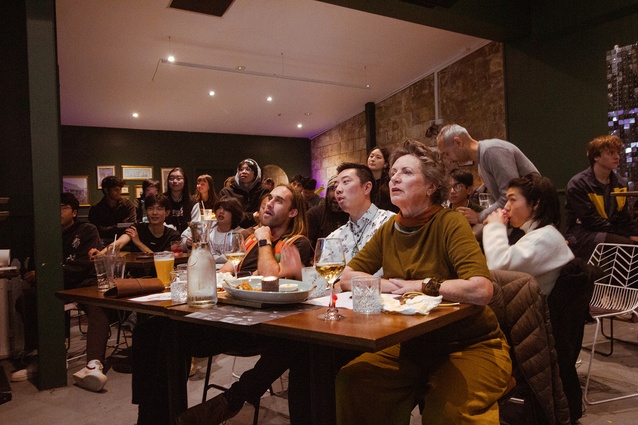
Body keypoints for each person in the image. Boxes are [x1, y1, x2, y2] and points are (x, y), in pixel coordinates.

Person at [336, 139, 511, 424]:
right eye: (393, 173)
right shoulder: (390, 229)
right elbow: (347, 276)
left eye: (406, 172)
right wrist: (390, 285)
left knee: (448, 413)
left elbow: (481, 288)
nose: (394, 178)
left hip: (469, 343)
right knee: (354, 381)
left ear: (431, 186)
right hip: (412, 345)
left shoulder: (449, 222)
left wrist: (421, 285)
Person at [133, 184, 313, 425]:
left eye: (279, 200)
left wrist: (264, 241)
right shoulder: (249, 239)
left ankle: (221, 403)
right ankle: (154, 418)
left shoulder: (296, 243)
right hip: (227, 315)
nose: (269, 203)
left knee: (168, 334)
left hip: (261, 327)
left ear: (293, 212)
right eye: (269, 198)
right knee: (151, 330)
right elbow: (225, 272)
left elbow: (270, 279)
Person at [13, 193, 111, 393]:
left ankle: (93, 365)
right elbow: (33, 265)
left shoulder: (86, 229)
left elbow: (83, 264)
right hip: (57, 286)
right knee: (27, 298)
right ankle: (40, 358)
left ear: (74, 212)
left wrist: (44, 274)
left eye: (63, 207)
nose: (58, 211)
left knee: (98, 307)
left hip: (85, 282)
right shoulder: (45, 234)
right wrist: (37, 274)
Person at [483, 173, 574, 295]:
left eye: (512, 200)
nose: (506, 207)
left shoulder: (544, 238)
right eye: (507, 200)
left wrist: (495, 227)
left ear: (535, 203)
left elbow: (497, 267)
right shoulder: (543, 234)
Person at [437, 124, 538, 223]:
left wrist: (479, 216)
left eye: (447, 153)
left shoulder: (492, 151)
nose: (449, 160)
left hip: (535, 218)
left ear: (458, 142)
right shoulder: (482, 161)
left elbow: (509, 197)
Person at [565, 135, 638, 259]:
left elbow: (623, 217)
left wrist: (633, 233)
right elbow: (591, 222)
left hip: (609, 230)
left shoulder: (620, 183)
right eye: (610, 153)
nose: (617, 157)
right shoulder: (578, 184)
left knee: (632, 244)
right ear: (596, 157)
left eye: (618, 153)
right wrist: (627, 235)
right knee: (629, 246)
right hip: (583, 233)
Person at [327, 162, 394, 273]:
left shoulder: (390, 223)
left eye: (346, 182)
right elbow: (322, 285)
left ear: (367, 187)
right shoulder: (333, 238)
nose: (338, 190)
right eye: (335, 186)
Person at [95, 194, 180, 255]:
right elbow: (119, 243)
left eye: (159, 209)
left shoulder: (173, 236)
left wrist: (138, 243)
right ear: (146, 212)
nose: (154, 213)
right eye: (150, 208)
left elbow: (162, 261)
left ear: (167, 213)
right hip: (136, 276)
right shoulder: (137, 228)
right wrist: (100, 253)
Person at [181, 196, 244, 261]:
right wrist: (187, 243)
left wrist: (209, 258)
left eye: (226, 209)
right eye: (219, 208)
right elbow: (182, 240)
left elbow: (236, 258)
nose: (221, 211)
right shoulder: (207, 226)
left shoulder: (240, 234)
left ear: (235, 214)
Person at [220, 158, 270, 229]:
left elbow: (261, 215)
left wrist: (240, 215)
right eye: (241, 169)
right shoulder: (227, 191)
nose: (243, 172)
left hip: (257, 230)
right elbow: (227, 216)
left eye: (248, 169)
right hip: (232, 230)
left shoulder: (263, 191)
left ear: (255, 174)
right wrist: (251, 216)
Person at [88, 175, 136, 243]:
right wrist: (118, 226)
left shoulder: (127, 205)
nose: (119, 192)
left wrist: (108, 228)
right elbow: (96, 230)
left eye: (120, 189)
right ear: (106, 190)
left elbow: (131, 225)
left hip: (125, 241)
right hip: (103, 243)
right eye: (116, 190)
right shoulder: (96, 209)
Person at [306, 177, 349, 247]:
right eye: (332, 189)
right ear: (327, 192)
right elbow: (308, 245)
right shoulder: (314, 214)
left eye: (340, 190)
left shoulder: (353, 214)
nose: (336, 194)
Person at [367, 146, 399, 213]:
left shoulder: (390, 183)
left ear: (385, 164)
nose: (372, 159)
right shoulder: (363, 181)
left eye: (378, 157)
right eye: (371, 156)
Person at [163, 167, 193, 233]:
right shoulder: (162, 200)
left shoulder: (193, 202)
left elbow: (196, 223)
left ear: (185, 181)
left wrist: (185, 237)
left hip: (187, 239)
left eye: (178, 178)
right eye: (171, 178)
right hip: (167, 238)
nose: (175, 181)